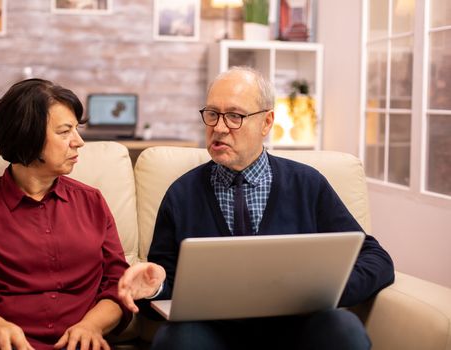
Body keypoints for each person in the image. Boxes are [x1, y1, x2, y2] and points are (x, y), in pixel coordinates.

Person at [118, 66, 395, 350]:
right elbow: (166, 280)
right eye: (212, 114)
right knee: (175, 339)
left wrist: (329, 289)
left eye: (235, 116)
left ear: (266, 122)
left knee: (343, 329)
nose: (219, 127)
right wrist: (157, 287)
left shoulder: (306, 184)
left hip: (297, 325)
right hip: (211, 332)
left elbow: (376, 259)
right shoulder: (182, 193)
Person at [0, 79, 131, 350]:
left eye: (77, 129)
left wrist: (91, 326)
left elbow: (118, 284)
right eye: (65, 132)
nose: (79, 142)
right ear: (28, 135)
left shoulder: (92, 202)